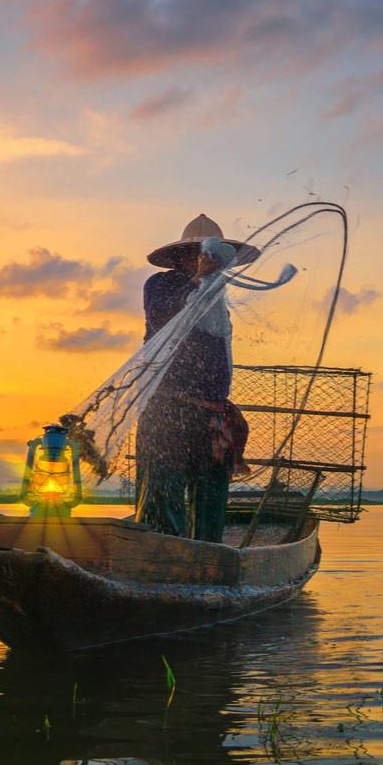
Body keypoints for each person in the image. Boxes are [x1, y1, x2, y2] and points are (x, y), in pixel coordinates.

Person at [135, 214, 257, 542]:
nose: (208, 262)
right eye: (201, 255)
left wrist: (206, 281)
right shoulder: (161, 285)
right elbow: (162, 314)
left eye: (215, 258)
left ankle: (208, 559)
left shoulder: (216, 296)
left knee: (211, 499)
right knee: (163, 495)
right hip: (166, 412)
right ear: (183, 257)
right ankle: (161, 556)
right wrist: (196, 281)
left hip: (212, 416)